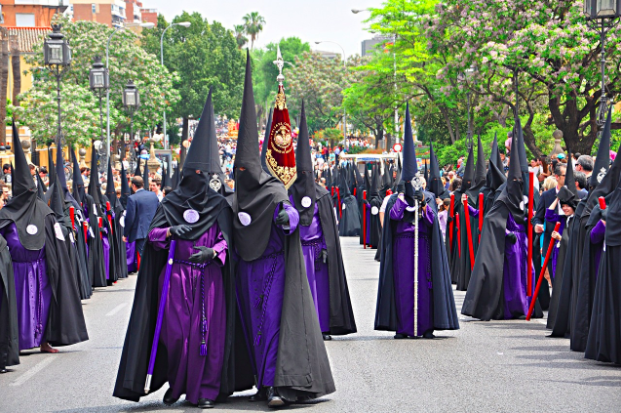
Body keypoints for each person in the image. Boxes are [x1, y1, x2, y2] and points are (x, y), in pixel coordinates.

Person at [114, 91, 248, 409]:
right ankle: (179, 384)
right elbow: (154, 236)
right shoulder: (171, 202)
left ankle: (205, 391)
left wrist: (214, 252)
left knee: (210, 336)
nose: (199, 180)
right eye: (195, 175)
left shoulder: (219, 205)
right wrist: (173, 230)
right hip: (175, 277)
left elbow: (228, 240)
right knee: (176, 336)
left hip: (210, 278)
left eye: (205, 175)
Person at [233, 54, 334, 407]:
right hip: (246, 271)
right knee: (253, 329)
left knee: (275, 325)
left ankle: (280, 383)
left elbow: (290, 214)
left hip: (274, 268)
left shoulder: (274, 190)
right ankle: (261, 380)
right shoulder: (236, 197)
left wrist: (285, 219)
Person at [0, 126, 88, 355]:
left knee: (44, 306)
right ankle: (15, 342)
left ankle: (45, 340)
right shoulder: (6, 214)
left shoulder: (45, 212)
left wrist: (58, 266)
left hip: (42, 269)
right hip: (16, 270)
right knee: (17, 307)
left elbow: (56, 241)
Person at [375, 104, 459, 339]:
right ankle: (403, 327)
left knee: (425, 285)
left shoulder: (429, 197)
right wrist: (404, 199)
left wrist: (422, 202)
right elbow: (392, 217)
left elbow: (432, 221)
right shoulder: (395, 199)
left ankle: (425, 325)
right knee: (403, 286)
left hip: (423, 245)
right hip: (402, 246)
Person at [289, 103, 356, 341]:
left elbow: (329, 227)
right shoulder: (288, 195)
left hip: (317, 252)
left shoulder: (322, 194)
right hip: (297, 251)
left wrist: (327, 248)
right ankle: (301, 329)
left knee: (321, 290)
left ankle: (323, 327)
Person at [462, 124, 542, 321]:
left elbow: (534, 215)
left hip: (524, 242)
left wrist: (533, 222)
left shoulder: (529, 194)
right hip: (511, 245)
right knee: (514, 278)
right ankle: (512, 308)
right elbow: (490, 218)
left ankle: (527, 306)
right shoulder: (503, 198)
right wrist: (507, 234)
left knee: (527, 273)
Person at [123, 176, 159, 259]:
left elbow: (130, 218)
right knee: (153, 256)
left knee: (145, 257)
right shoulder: (153, 195)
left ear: (133, 186)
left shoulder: (132, 198)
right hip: (154, 230)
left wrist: (125, 233)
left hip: (141, 233)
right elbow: (158, 211)